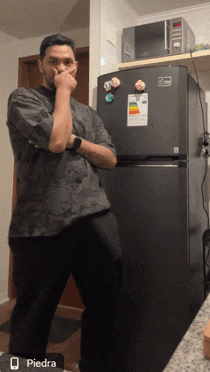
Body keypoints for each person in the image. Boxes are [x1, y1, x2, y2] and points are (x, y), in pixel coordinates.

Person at [6, 34, 122, 372]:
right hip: (40, 223)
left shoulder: (88, 113)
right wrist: (63, 92)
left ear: (76, 65)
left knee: (105, 304)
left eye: (68, 62)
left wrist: (77, 141)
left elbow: (110, 158)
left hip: (95, 219)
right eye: (53, 61)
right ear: (41, 64)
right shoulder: (24, 99)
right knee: (33, 314)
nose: (61, 67)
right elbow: (56, 141)